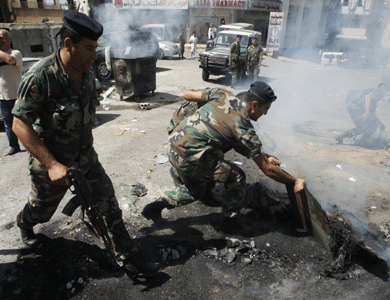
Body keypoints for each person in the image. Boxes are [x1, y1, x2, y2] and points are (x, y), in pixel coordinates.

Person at [12, 10, 161, 278]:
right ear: (68, 44)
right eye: (89, 48)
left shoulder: (87, 72)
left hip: (85, 159)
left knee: (107, 202)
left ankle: (127, 256)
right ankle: (24, 223)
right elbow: (19, 124)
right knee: (41, 211)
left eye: (96, 48)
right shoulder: (41, 76)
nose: (95, 55)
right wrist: (52, 164)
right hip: (51, 162)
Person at [141, 81, 307, 236]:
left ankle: (161, 199)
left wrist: (265, 156)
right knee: (235, 177)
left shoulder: (223, 94)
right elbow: (267, 169)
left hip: (174, 144)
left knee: (206, 175)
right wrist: (293, 181)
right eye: (265, 108)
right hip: (189, 157)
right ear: (254, 104)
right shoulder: (243, 127)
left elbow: (189, 94)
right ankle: (229, 223)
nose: (265, 113)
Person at [335, 77, 390, 145]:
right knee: (368, 126)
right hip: (356, 108)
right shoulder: (378, 92)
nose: (385, 92)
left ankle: (343, 136)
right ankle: (362, 140)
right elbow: (368, 97)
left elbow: (372, 112)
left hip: (354, 108)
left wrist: (380, 122)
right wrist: (367, 112)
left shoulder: (377, 94)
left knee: (366, 126)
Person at [0, 29, 22, 156]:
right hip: (2, 96)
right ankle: (14, 146)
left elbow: (9, 60)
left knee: (24, 122)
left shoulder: (15, 53)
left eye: (3, 37)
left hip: (16, 95)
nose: (1, 40)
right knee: (8, 124)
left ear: (10, 40)